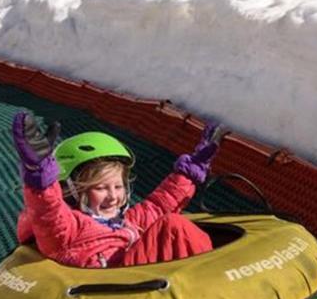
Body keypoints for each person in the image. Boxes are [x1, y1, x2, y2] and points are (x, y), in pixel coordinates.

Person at [12, 111, 223, 268]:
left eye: (118, 186)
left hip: (143, 280)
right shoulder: (70, 228)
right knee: (173, 224)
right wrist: (39, 174)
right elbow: (49, 213)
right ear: (72, 190)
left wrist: (193, 168)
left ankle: (216, 275)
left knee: (170, 223)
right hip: (115, 292)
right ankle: (214, 277)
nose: (113, 196)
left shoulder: (127, 221)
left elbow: (160, 204)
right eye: (101, 188)